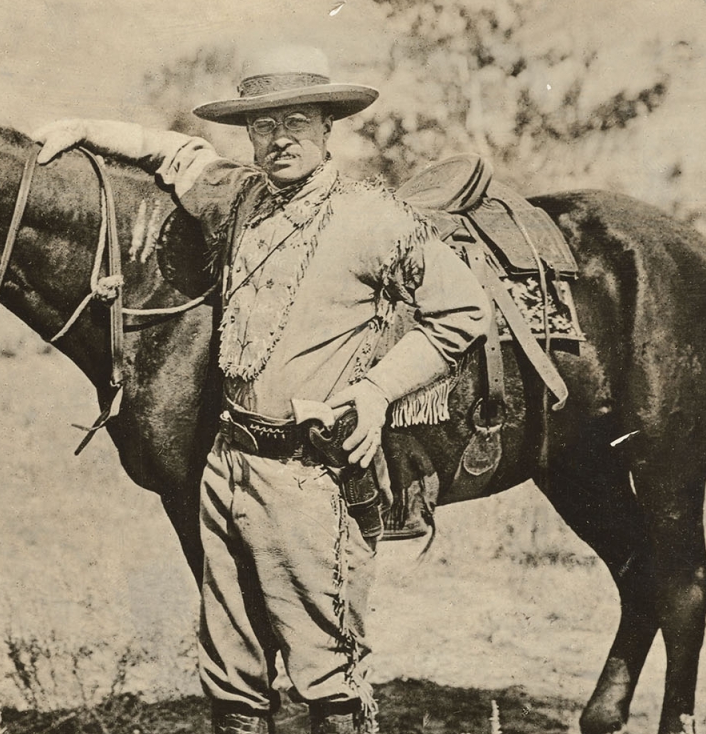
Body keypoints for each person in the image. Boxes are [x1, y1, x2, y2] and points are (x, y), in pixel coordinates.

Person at [33, 44, 489, 734]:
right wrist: (85, 128)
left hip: (311, 479)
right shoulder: (240, 197)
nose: (278, 141)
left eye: (296, 123)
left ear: (328, 127)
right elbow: (177, 156)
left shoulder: (371, 216)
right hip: (228, 467)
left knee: (327, 679)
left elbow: (463, 312)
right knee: (232, 679)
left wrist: (374, 392)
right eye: (262, 127)